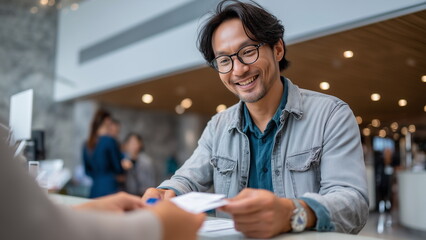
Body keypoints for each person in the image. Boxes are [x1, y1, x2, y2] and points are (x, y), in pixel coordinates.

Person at [142, 0, 368, 238]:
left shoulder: (331, 115)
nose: (238, 70)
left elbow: (353, 205)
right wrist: (166, 193)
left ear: (278, 49)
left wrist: (292, 213)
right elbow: (187, 179)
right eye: (224, 60)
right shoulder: (218, 127)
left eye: (248, 52)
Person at [0, 123, 204, 240]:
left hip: (99, 188)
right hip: (115, 188)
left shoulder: (87, 144)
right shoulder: (111, 144)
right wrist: (155, 226)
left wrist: (86, 210)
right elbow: (34, 227)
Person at [83, 109, 125, 198]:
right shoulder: (109, 140)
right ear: (107, 121)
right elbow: (118, 167)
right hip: (109, 187)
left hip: (95, 188)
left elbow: (87, 171)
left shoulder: (86, 144)